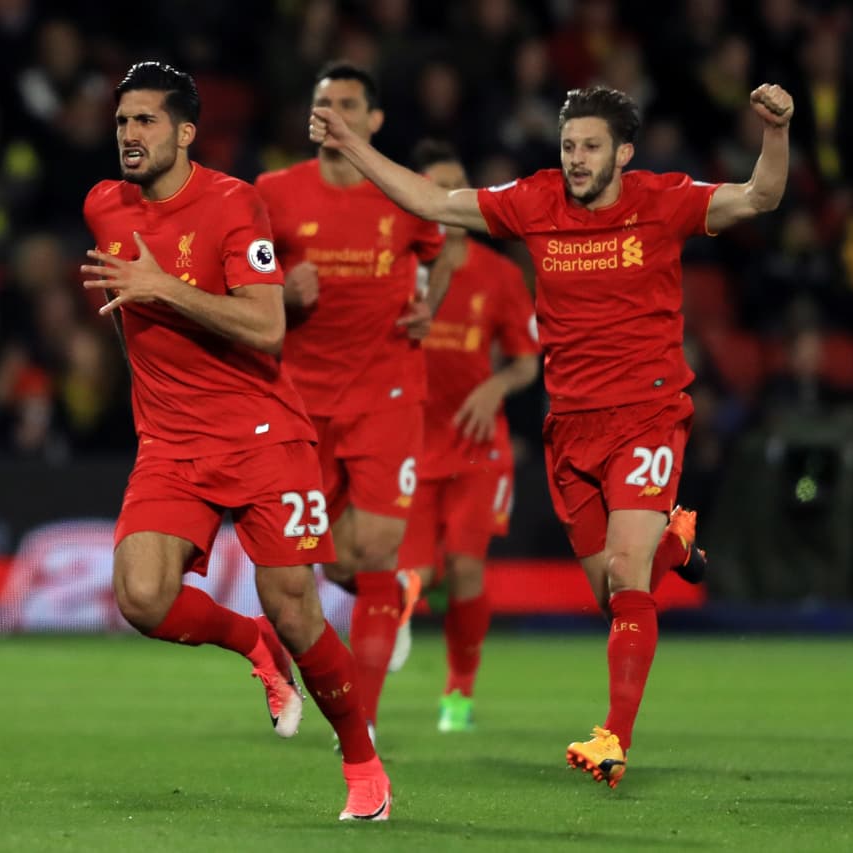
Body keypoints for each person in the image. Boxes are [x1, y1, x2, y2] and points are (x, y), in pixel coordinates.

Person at [310, 81, 792, 787]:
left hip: (648, 412)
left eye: (591, 146)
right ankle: (674, 542)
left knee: (625, 579)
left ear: (624, 152)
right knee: (617, 597)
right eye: (569, 145)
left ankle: (612, 736)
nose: (576, 158)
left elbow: (759, 197)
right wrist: (355, 146)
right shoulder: (535, 201)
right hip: (571, 428)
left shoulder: (662, 200)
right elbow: (434, 202)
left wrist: (774, 133)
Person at [79, 61, 389, 821]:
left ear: (185, 132)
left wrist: (165, 289)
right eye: (122, 121)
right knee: (142, 597)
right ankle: (250, 641)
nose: (129, 134)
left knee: (297, 609)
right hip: (171, 443)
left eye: (145, 121)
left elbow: (266, 324)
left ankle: (363, 764)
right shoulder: (103, 207)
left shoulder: (232, 202)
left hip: (262, 436)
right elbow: (128, 317)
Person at [255, 62, 450, 741]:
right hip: (300, 398)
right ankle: (386, 600)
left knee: (374, 548)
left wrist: (430, 305)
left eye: (345, 103)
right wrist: (282, 291)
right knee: (318, 559)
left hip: (386, 390)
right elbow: (238, 281)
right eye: (321, 102)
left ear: (374, 121)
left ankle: (357, 722)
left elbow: (441, 248)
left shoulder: (405, 192)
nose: (330, 112)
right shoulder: (273, 194)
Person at [388, 140, 542, 733]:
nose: (449, 197)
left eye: (458, 185)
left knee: (466, 569)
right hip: (412, 444)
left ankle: (459, 691)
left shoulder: (499, 274)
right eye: (437, 186)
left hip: (478, 447)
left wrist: (494, 387)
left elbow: (528, 362)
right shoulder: (400, 269)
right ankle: (402, 616)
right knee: (417, 572)